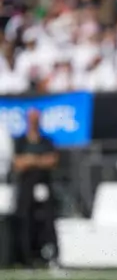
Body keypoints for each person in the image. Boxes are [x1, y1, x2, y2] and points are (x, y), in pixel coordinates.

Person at [12, 109, 59, 268]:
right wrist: (39, 160)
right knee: (25, 220)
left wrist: (31, 160)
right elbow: (18, 163)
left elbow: (52, 161)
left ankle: (51, 255)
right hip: (26, 186)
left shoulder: (46, 141)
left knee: (48, 220)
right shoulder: (21, 142)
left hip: (43, 186)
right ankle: (26, 257)